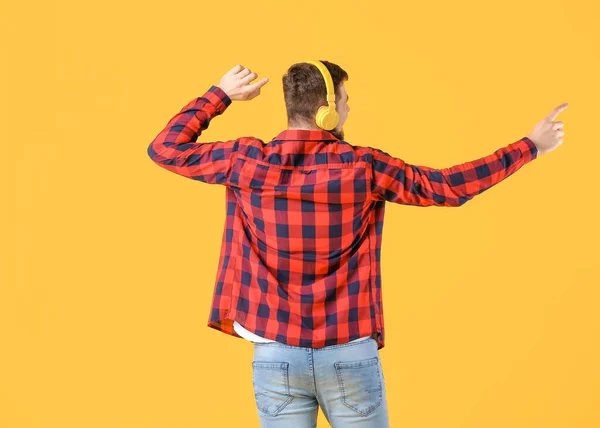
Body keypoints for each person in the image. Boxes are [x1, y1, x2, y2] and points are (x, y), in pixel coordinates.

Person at [147, 61, 568, 427]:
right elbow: (448, 186)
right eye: (345, 100)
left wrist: (220, 95)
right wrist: (530, 146)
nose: (349, 107)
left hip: (275, 354)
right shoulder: (363, 166)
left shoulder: (245, 161)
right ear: (327, 111)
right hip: (349, 351)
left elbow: (165, 148)